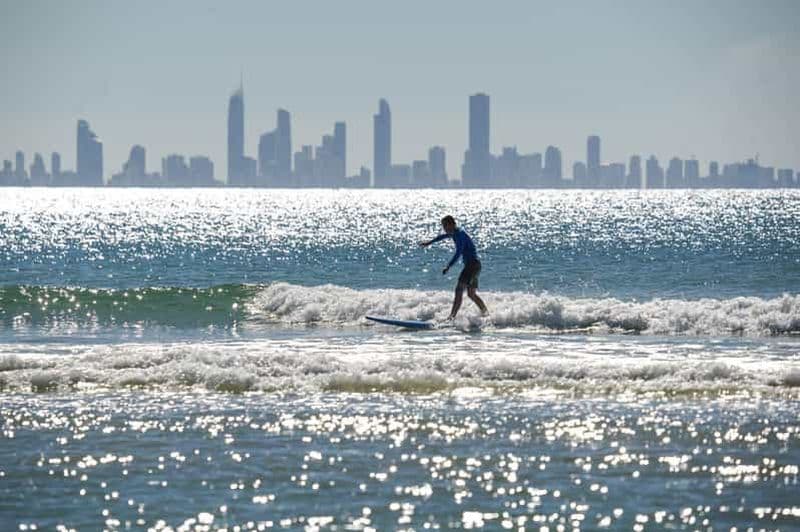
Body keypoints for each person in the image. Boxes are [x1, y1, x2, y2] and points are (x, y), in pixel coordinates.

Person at [419, 215, 488, 320]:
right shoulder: (455, 232)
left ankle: (451, 317)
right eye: (443, 226)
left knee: (459, 290)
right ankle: (486, 314)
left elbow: (458, 252)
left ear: (451, 224)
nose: (444, 228)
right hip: (476, 266)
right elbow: (442, 237)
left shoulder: (459, 235)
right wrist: (429, 242)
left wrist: (448, 266)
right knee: (471, 294)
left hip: (472, 265)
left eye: (445, 226)